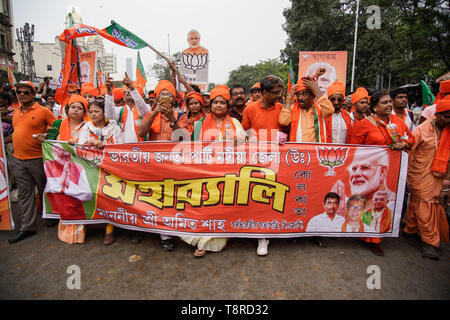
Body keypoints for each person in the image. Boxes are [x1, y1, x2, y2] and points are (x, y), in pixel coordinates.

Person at [182, 86, 245, 257]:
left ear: (227, 105)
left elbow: (242, 147)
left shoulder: (235, 123)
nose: (218, 105)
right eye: (215, 102)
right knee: (205, 206)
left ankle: (217, 240)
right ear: (210, 105)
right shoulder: (200, 124)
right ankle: (200, 239)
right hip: (205, 173)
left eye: (222, 102)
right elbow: (192, 149)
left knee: (223, 207)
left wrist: (240, 140)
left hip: (228, 173)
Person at [350, 90, 414, 256]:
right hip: (369, 174)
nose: (389, 105)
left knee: (384, 203)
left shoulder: (397, 122)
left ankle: (377, 237)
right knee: (369, 203)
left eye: (389, 102)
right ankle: (367, 236)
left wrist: (403, 143)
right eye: (384, 103)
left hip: (391, 172)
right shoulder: (364, 124)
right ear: (374, 108)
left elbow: (411, 139)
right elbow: (353, 149)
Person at [138, 79, 189, 251]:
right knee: (156, 197)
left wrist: (171, 119)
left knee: (172, 197)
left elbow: (182, 139)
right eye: (162, 95)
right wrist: (153, 114)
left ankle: (172, 230)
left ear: (174, 99)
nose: (165, 97)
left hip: (174, 163)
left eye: (168, 95)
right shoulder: (149, 115)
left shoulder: (181, 115)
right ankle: (163, 234)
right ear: (157, 98)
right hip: (154, 163)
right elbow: (141, 133)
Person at [241, 75, 287, 256]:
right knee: (257, 194)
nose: (279, 95)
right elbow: (244, 136)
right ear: (264, 92)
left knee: (274, 195)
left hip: (277, 160)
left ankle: (267, 233)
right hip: (255, 159)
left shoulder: (282, 108)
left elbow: (288, 130)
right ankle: (259, 233)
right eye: (276, 92)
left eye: (281, 91)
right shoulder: (250, 109)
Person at [8, 81, 56, 244]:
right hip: (19, 160)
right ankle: (27, 227)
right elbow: (17, 133)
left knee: (45, 189)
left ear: (33, 94)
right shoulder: (15, 113)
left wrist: (47, 136)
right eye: (19, 92)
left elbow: (57, 127)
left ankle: (50, 215)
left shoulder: (43, 111)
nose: (21, 95)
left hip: (39, 159)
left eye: (25, 92)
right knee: (24, 193)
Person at [403, 96, 450, 260]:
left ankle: (411, 229)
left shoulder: (448, 131)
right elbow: (409, 146)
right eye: (447, 116)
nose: (449, 120)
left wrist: (447, 182)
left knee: (425, 204)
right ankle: (430, 242)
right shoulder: (421, 130)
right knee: (425, 204)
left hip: (441, 176)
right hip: (419, 174)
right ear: (438, 115)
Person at [78, 99, 124, 245]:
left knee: (110, 197)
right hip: (91, 169)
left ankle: (110, 229)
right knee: (94, 197)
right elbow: (79, 146)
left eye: (96, 111)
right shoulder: (86, 127)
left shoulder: (114, 128)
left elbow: (121, 147)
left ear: (104, 112)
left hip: (111, 169)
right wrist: (91, 142)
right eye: (90, 112)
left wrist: (105, 147)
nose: (93, 114)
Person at [43, 142, 91, 244]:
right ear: (53, 152)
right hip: (61, 209)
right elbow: (49, 189)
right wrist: (62, 180)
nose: (64, 156)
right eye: (59, 152)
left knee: (78, 234)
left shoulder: (78, 167)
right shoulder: (48, 165)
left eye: (66, 154)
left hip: (77, 210)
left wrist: (71, 186)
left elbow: (88, 194)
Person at [279, 72, 334, 143]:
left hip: (316, 152)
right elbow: (283, 121)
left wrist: (316, 90)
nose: (300, 98)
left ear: (313, 96)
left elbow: (330, 111)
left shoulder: (321, 109)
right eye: (298, 94)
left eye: (304, 94)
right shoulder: (293, 109)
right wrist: (289, 98)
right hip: (298, 152)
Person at [104, 73, 150, 144]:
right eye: (126, 91)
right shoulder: (120, 110)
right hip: (125, 151)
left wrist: (132, 88)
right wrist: (109, 92)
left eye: (130, 91)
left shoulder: (146, 107)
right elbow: (109, 115)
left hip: (143, 150)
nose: (128, 93)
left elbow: (144, 111)